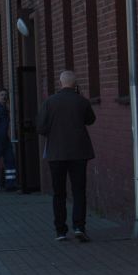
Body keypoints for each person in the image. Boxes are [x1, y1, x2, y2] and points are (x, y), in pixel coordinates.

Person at [37, 70, 96, 242]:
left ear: (60, 83)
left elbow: (41, 128)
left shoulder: (49, 102)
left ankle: (60, 231)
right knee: (79, 191)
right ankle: (79, 227)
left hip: (56, 153)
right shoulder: (82, 101)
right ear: (75, 84)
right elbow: (91, 120)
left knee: (59, 193)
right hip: (79, 152)